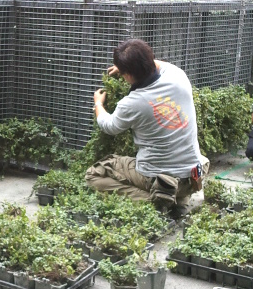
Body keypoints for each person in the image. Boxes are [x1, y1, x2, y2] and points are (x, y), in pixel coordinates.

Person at [85, 39, 208, 211]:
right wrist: (128, 66)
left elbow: (109, 126)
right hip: (193, 174)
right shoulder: (178, 75)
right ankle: (180, 198)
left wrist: (98, 103)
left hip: (159, 179)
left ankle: (157, 200)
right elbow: (157, 64)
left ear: (128, 75)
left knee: (94, 175)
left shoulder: (132, 103)